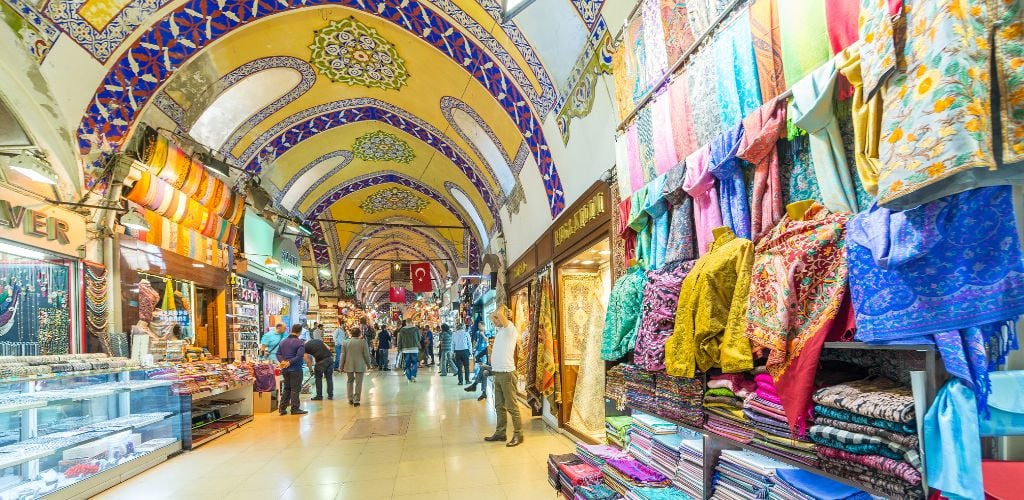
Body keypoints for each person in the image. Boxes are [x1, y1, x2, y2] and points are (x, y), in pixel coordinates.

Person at [484, 306, 522, 446]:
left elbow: (499, 314)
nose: (494, 320)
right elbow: (490, 317)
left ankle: (518, 434)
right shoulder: (500, 331)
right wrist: (496, 314)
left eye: (497, 318)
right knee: (499, 406)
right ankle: (500, 432)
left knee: (512, 406)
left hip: (507, 373)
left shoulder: (510, 328)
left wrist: (501, 309)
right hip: (498, 373)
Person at [276, 324, 307, 415]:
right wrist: (290, 362)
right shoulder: (300, 342)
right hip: (296, 369)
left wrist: (282, 361)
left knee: (286, 388)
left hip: (285, 369)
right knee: (295, 389)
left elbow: (278, 353)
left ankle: (282, 409)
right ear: (300, 332)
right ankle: (295, 409)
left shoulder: (283, 341)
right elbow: (299, 355)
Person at [340, 327, 371, 406]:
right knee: (358, 383)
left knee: (349, 381)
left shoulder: (345, 342)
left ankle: (350, 398)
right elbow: (366, 355)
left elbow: (342, 355)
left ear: (351, 334)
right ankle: (356, 400)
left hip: (348, 364)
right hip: (360, 364)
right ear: (359, 333)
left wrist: (341, 366)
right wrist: (368, 364)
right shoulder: (363, 342)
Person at [304, 334, 334, 400]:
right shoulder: (317, 340)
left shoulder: (303, 347)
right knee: (329, 378)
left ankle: (319, 396)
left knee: (318, 378)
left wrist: (311, 370)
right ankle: (330, 395)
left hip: (321, 362)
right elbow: (328, 348)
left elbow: (308, 361)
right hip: (330, 358)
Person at [452, 319, 472, 385]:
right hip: (465, 351)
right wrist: (471, 352)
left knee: (459, 367)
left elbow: (452, 344)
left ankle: (460, 381)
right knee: (466, 366)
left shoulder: (454, 334)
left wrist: (453, 352)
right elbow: (469, 343)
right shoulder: (466, 333)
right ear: (463, 327)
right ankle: (467, 380)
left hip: (457, 352)